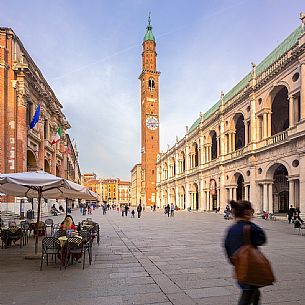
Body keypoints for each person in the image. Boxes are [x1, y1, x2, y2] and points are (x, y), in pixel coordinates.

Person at [224, 200, 266, 305]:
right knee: (247, 295)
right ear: (247, 213)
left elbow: (226, 246)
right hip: (251, 266)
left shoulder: (231, 229)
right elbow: (262, 240)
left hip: (239, 266)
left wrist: (233, 260)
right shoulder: (250, 227)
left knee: (254, 292)